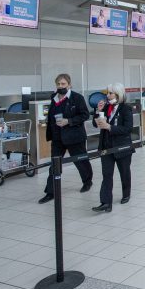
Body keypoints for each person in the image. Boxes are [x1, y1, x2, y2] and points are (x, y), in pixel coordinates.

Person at [39, 74, 93, 204]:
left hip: (74, 137)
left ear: (69, 85)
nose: (60, 86)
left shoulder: (77, 98)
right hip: (57, 138)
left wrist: (68, 121)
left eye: (63, 84)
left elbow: (85, 115)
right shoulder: (54, 98)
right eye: (58, 84)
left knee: (81, 161)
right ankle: (50, 192)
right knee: (54, 165)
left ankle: (87, 181)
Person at [92, 83, 133, 212]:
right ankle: (105, 202)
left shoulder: (126, 109)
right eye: (107, 93)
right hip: (106, 146)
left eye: (111, 93)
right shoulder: (105, 107)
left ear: (118, 94)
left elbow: (127, 128)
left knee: (124, 172)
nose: (108, 96)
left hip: (122, 147)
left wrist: (109, 127)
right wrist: (98, 111)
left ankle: (126, 194)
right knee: (107, 175)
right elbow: (95, 123)